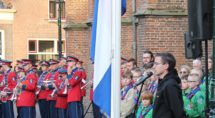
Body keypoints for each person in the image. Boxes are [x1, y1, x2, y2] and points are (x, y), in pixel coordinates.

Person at [152, 52, 186, 118]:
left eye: (156, 64)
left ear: (166, 66)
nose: (153, 66)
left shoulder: (170, 85)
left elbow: (178, 111)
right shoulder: (163, 82)